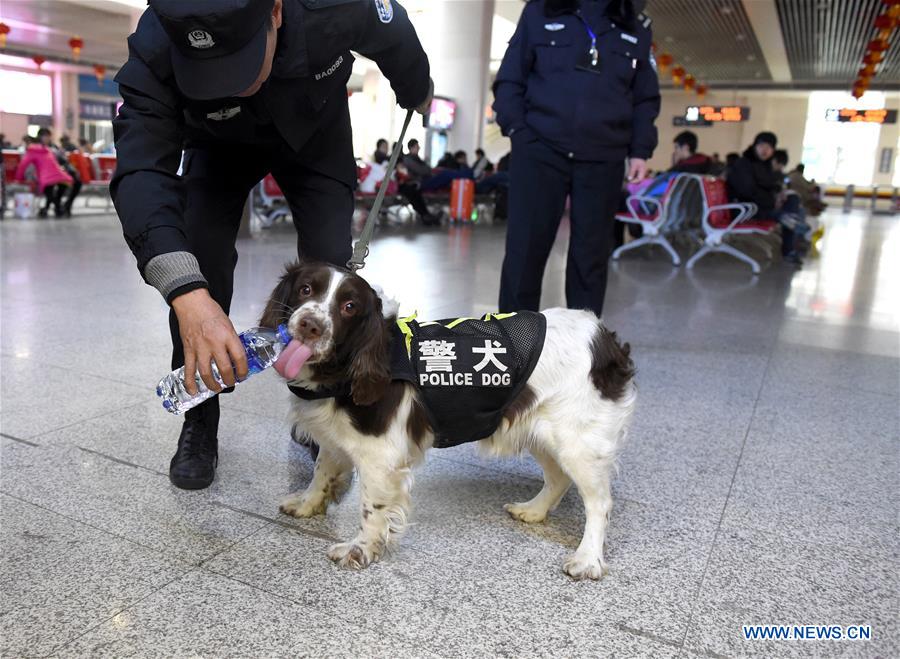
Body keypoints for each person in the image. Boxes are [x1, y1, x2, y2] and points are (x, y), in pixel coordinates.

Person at [111, 0, 433, 490]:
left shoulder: (334, 7)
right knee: (199, 266)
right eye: (210, 72)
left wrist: (416, 87)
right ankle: (199, 420)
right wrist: (187, 296)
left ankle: (315, 410)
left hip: (315, 134)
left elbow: (397, 36)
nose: (230, 82)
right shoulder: (157, 42)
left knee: (326, 265)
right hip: (216, 145)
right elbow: (140, 174)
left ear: (276, 12)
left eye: (238, 61)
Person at [493, 0, 660, 316]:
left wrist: (640, 150)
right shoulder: (539, 12)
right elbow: (510, 78)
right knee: (525, 252)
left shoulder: (636, 25)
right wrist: (519, 131)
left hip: (604, 156)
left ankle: (583, 351)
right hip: (540, 150)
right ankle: (514, 344)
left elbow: (645, 99)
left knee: (591, 258)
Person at [727, 133, 803, 264]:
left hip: (760, 206)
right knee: (788, 214)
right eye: (761, 145)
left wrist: (779, 193)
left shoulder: (765, 166)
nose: (765, 150)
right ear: (755, 146)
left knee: (793, 198)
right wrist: (774, 200)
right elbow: (747, 192)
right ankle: (794, 232)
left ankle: (791, 234)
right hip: (744, 209)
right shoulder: (743, 164)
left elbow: (770, 185)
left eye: (769, 147)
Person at [15, 131, 77, 218]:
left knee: (50, 190)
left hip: (46, 177)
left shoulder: (40, 150)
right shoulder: (47, 150)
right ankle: (57, 207)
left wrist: (19, 178)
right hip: (58, 175)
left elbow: (23, 165)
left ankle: (55, 207)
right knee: (58, 187)